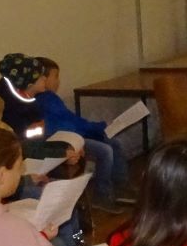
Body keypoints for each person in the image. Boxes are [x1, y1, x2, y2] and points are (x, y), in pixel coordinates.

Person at [35, 57, 133, 211]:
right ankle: (102, 196)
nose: (58, 81)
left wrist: (96, 128)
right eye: (56, 76)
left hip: (74, 134)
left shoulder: (51, 98)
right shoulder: (45, 100)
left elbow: (72, 120)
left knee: (114, 143)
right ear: (43, 79)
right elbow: (69, 126)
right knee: (105, 150)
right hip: (64, 140)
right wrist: (98, 128)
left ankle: (121, 186)